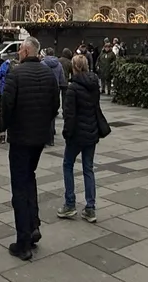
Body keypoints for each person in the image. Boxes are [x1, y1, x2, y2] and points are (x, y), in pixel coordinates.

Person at [0, 37, 61, 261]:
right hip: (39, 138)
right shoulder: (48, 75)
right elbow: (55, 105)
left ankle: (23, 242)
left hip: (21, 139)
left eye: (19, 50)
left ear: (25, 51)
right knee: (30, 178)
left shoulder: (16, 74)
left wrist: (5, 128)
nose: (18, 53)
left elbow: (7, 104)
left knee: (20, 186)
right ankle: (34, 226)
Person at [59, 54, 102, 222]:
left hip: (77, 134)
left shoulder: (73, 88)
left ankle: (70, 204)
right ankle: (90, 207)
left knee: (68, 165)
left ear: (75, 68)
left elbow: (69, 115)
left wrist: (67, 134)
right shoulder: (94, 84)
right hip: (91, 131)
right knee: (88, 168)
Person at [41, 47, 67, 146]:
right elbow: (62, 78)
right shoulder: (58, 64)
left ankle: (45, 137)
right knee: (52, 113)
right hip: (55, 89)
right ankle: (51, 138)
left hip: (44, 90)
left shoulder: (42, 64)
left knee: (44, 114)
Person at [0, 53, 13, 144]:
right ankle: (11, 135)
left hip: (4, 92)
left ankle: (2, 136)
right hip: (15, 92)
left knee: (2, 113)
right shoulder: (20, 65)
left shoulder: (5, 65)